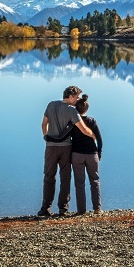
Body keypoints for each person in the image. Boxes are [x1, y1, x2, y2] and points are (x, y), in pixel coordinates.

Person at [37, 85, 95, 217]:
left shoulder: (51, 105)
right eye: (76, 97)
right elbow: (83, 129)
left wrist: (46, 137)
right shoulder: (72, 111)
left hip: (50, 147)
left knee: (48, 177)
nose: (78, 100)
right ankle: (63, 209)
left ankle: (45, 209)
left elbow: (43, 124)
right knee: (65, 178)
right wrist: (93, 135)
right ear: (70, 97)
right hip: (65, 148)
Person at [71, 94, 103, 215]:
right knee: (94, 181)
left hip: (77, 155)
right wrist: (99, 152)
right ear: (87, 109)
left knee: (79, 183)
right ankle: (97, 209)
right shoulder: (92, 121)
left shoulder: (73, 121)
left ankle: (81, 210)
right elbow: (99, 139)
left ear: (76, 109)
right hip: (91, 155)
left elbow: (67, 137)